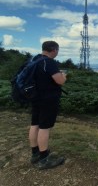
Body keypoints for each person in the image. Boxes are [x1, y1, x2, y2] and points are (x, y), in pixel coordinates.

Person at [28, 41, 67, 170]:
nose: (57, 52)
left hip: (35, 98)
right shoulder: (49, 62)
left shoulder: (35, 60)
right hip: (48, 100)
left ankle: (35, 154)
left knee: (35, 125)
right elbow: (60, 81)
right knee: (44, 128)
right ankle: (44, 159)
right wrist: (64, 76)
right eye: (57, 50)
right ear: (54, 50)